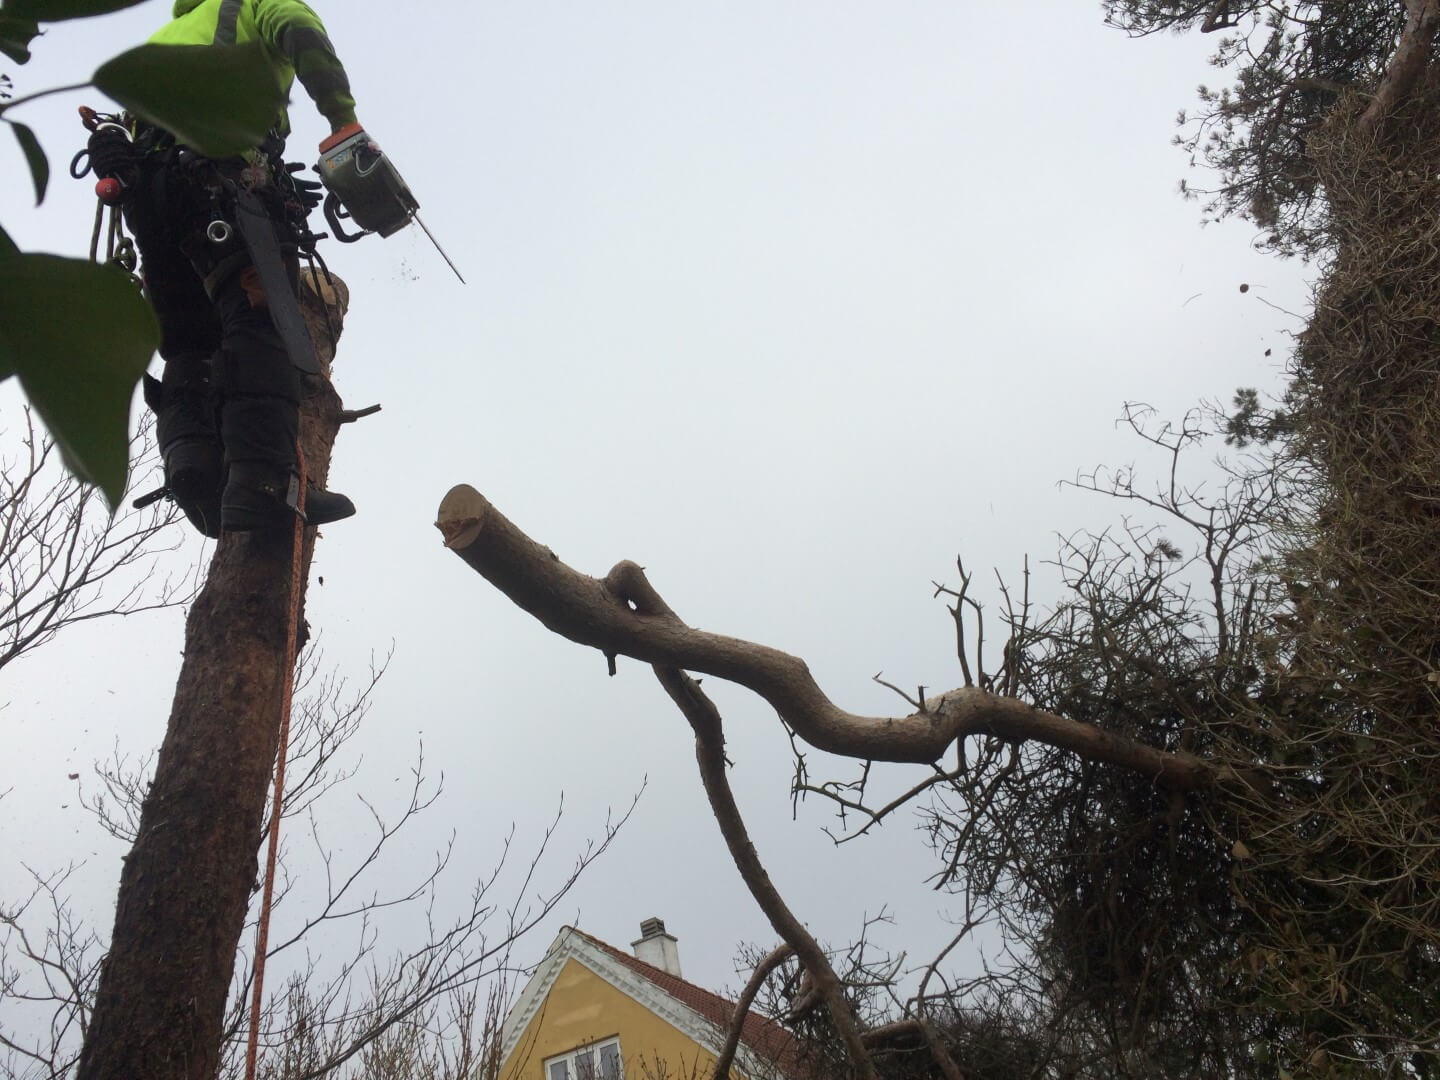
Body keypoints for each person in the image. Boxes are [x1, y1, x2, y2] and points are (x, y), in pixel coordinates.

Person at [90, 0, 360, 535]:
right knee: (261, 319)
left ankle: (195, 464)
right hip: (220, 176)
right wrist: (342, 119)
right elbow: (302, 31)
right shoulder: (254, 3)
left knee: (191, 340)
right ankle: (264, 483)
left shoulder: (170, 32)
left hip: (152, 195)